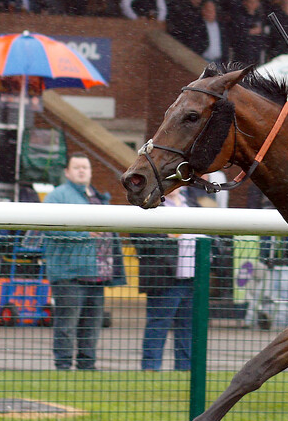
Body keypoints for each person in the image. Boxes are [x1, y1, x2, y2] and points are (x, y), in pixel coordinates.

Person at [42, 154, 126, 371]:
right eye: (77, 167)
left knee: (92, 325)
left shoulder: (97, 197)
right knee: (67, 325)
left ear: (90, 172)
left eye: (85, 167)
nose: (81, 171)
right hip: (68, 274)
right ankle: (63, 367)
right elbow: (50, 229)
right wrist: (85, 233)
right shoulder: (56, 197)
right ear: (67, 172)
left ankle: (87, 367)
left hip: (97, 274)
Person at [134, 189, 199, 371]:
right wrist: (167, 237)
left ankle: (185, 368)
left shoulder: (192, 204)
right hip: (164, 278)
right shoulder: (150, 205)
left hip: (192, 278)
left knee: (188, 327)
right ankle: (151, 368)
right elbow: (139, 237)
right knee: (158, 324)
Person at [231, 0, 266, 64]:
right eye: (250, 1)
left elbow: (263, 36)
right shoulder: (239, 17)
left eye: (255, 1)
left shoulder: (259, 17)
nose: (253, 4)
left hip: (256, 54)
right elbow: (235, 35)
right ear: (245, 2)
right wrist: (249, 32)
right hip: (242, 55)